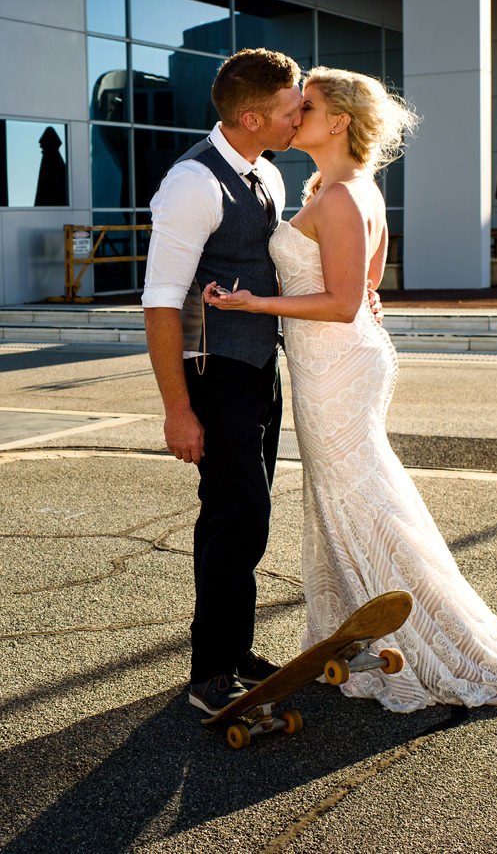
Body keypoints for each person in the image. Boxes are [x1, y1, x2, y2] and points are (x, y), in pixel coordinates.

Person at [203, 66, 497, 711]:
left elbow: (343, 303)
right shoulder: (340, 187)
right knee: (359, 496)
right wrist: (341, 303)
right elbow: (368, 287)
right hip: (341, 362)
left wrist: (254, 304)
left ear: (338, 121)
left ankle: (421, 639)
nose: (293, 114)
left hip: (336, 365)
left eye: (304, 105)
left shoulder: (336, 197)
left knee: (357, 497)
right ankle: (366, 635)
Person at [144, 48, 323, 715]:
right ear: (251, 117)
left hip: (257, 368)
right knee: (244, 512)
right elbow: (161, 301)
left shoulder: (268, 176)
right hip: (213, 371)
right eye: (288, 109)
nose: (298, 115)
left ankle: (228, 647)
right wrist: (176, 409)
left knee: (230, 513)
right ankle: (210, 670)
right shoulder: (193, 183)